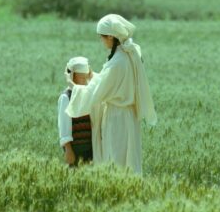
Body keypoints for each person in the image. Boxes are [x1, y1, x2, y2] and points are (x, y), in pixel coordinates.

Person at [65, 14, 157, 174]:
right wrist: (94, 76)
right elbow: (110, 82)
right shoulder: (127, 55)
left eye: (102, 37)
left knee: (116, 160)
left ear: (110, 37)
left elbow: (97, 92)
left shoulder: (117, 62)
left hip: (117, 119)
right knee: (128, 161)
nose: (101, 41)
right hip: (128, 117)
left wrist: (74, 86)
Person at [57, 57, 93, 166]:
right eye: (81, 78)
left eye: (85, 78)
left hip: (90, 147)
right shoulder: (66, 97)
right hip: (75, 147)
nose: (84, 81)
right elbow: (64, 126)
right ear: (73, 77)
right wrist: (68, 149)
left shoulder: (87, 95)